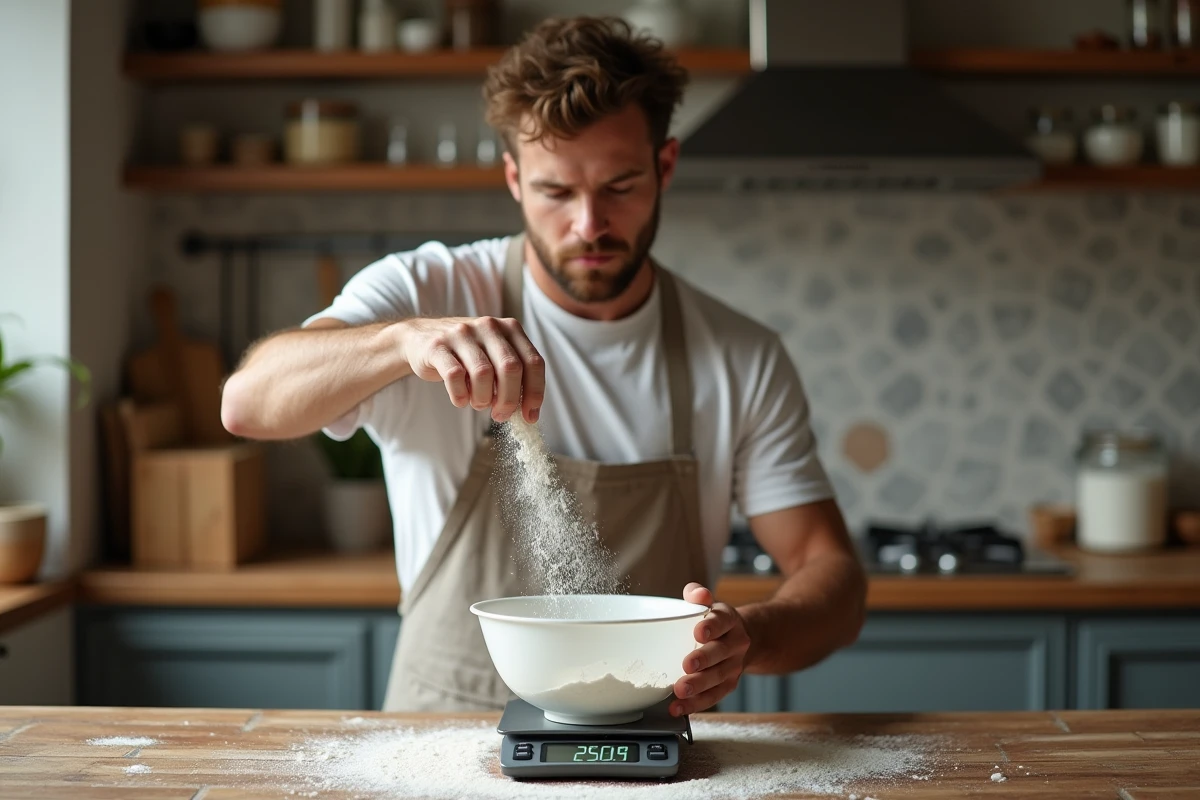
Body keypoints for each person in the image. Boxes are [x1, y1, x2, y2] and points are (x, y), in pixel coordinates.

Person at [220, 15, 866, 715]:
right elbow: (247, 403)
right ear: (514, 179)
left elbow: (830, 572)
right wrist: (400, 343)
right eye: (557, 191)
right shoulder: (425, 291)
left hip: (649, 743)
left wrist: (752, 636)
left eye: (620, 185)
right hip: (434, 739)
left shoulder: (740, 357)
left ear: (665, 167)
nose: (589, 224)